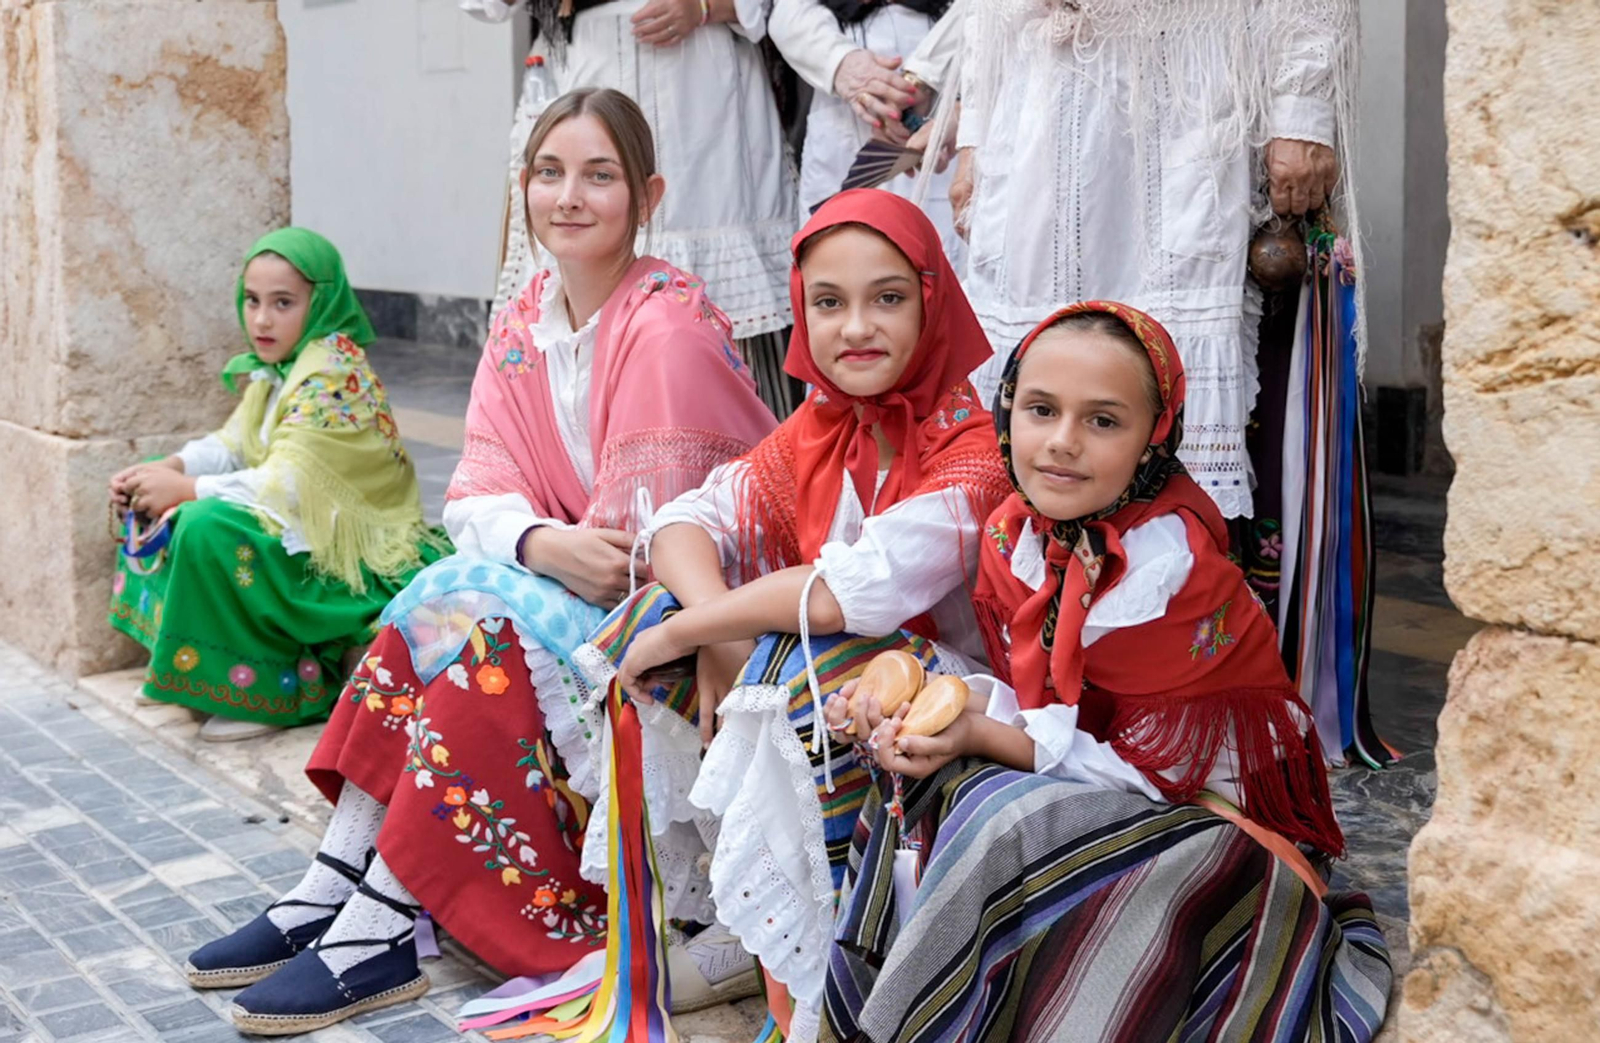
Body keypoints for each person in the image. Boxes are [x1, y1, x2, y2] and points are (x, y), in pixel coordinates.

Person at [184, 89, 778, 1035]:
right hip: (566, 585)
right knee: (447, 610)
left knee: (482, 633)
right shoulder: (522, 320)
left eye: (599, 175)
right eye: (548, 173)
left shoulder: (666, 325)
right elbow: (475, 490)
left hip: (675, 621)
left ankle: (381, 914)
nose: (568, 196)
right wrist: (541, 543)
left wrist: (551, 557)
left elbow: (660, 540)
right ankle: (335, 880)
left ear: (648, 195)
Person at [819, 303, 1390, 1043]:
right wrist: (934, 712)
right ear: (1007, 410)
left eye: (1103, 420)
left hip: (1221, 827)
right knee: (936, 780)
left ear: (1155, 436)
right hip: (1111, 779)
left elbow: (1154, 768)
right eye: (1041, 409)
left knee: (996, 812)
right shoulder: (1020, 530)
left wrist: (984, 735)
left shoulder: (1165, 564)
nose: (1062, 441)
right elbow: (1050, 703)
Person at [575, 189, 1013, 1038]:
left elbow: (858, 590)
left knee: (793, 661)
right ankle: (756, 917)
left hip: (962, 708)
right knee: (655, 617)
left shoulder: (973, 452)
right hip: (851, 679)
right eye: (829, 302)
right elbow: (684, 520)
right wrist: (708, 626)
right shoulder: (821, 428)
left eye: (888, 298)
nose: (857, 327)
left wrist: (694, 629)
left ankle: (832, 958)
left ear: (934, 302)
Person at [952, 0, 1357, 521]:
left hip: (1185, 89)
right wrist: (975, 135)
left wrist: (1302, 108)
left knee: (1184, 356)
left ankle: (1179, 559)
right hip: (1035, 98)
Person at [107, 229, 447, 743]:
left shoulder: (332, 373)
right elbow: (234, 443)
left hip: (347, 562)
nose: (262, 319)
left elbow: (290, 485)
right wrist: (167, 467)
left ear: (321, 301)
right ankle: (187, 668)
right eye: (252, 300)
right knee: (163, 488)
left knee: (204, 523)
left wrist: (187, 488)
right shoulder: (283, 366)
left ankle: (275, 690)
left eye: (282, 303)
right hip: (300, 532)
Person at [463, 0, 801, 415]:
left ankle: (731, 439)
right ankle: (574, 433)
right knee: (576, 254)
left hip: (702, 91)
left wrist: (707, 7)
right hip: (586, 62)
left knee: (722, 312)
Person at [767, 0, 965, 259]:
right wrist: (839, 63)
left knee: (945, 252)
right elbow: (789, 11)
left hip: (956, 66)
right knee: (838, 251)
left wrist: (926, 76)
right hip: (840, 98)